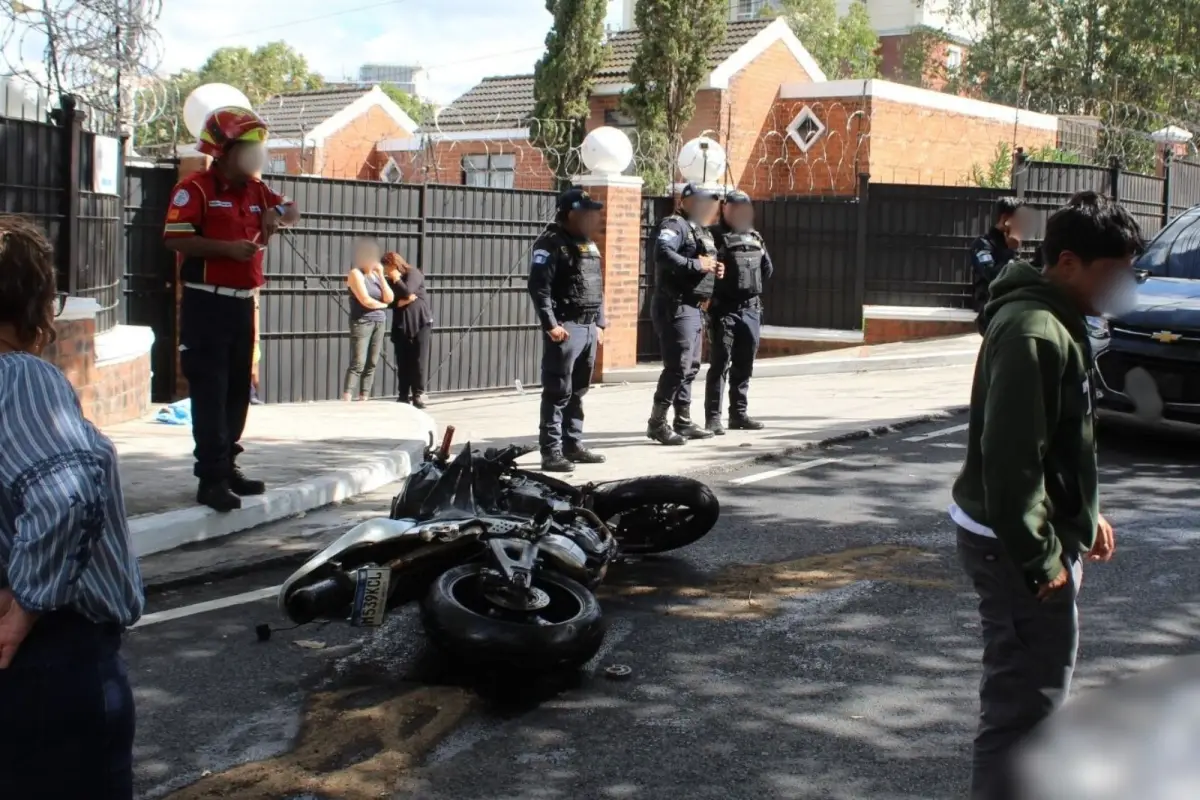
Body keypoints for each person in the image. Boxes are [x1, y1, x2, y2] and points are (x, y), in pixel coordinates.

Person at [949, 191, 1144, 800]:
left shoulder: (1057, 318)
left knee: (1036, 698)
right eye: (1112, 275)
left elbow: (1057, 440)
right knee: (1023, 710)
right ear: (1066, 263)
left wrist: (1084, 516)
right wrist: (1039, 558)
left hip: (1033, 535)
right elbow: (1011, 463)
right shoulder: (1033, 330)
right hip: (1013, 548)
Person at [0, 215, 145, 799]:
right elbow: (65, 493)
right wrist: (29, 602)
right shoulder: (21, 377)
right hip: (50, 664)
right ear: (35, 302)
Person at [162, 106, 300, 512]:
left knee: (239, 390)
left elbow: (292, 208)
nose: (258, 156)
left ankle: (229, 466)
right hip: (208, 303)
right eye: (249, 148)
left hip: (243, 305)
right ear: (224, 150)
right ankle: (210, 477)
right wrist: (226, 250)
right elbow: (175, 238)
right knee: (211, 390)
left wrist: (278, 214)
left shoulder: (256, 190)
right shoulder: (196, 189)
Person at [527, 188, 608, 472]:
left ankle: (572, 444)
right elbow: (539, 288)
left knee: (578, 390)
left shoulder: (587, 244)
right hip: (566, 326)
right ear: (569, 213)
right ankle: (551, 451)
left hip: (587, 327)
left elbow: (597, 285)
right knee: (557, 391)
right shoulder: (549, 243)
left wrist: (600, 322)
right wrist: (551, 325)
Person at [647, 183, 723, 446]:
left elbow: (701, 260)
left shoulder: (699, 229)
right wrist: (696, 264)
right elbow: (663, 253)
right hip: (675, 304)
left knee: (690, 366)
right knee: (677, 366)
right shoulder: (674, 224)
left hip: (693, 306)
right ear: (686, 201)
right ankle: (657, 423)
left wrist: (713, 267)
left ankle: (683, 420)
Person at [704, 189, 774, 434]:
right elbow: (704, 271)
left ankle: (739, 414)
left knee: (744, 364)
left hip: (751, 310)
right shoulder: (712, 236)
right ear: (725, 208)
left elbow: (767, 269)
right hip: (725, 310)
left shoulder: (755, 236)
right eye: (732, 207)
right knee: (720, 363)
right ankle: (713, 418)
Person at [343, 238, 394, 402]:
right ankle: (347, 396)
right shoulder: (355, 274)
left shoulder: (376, 275)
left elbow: (389, 297)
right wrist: (383, 306)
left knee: (372, 361)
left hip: (379, 321)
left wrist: (380, 275)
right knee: (358, 361)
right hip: (362, 321)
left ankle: (364, 396)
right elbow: (365, 300)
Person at [970, 197, 1028, 334]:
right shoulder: (983, 245)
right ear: (1005, 219)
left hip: (1013, 310)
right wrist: (1011, 251)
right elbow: (993, 275)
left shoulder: (1010, 244)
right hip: (991, 312)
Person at [384, 251, 432, 409]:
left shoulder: (413, 273)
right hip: (402, 324)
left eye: (388, 268)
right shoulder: (389, 281)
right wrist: (399, 303)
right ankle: (402, 394)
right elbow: (386, 300)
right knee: (403, 361)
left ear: (395, 265)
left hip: (420, 322)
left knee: (418, 360)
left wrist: (397, 279)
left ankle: (417, 394)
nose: (386, 272)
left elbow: (407, 291)